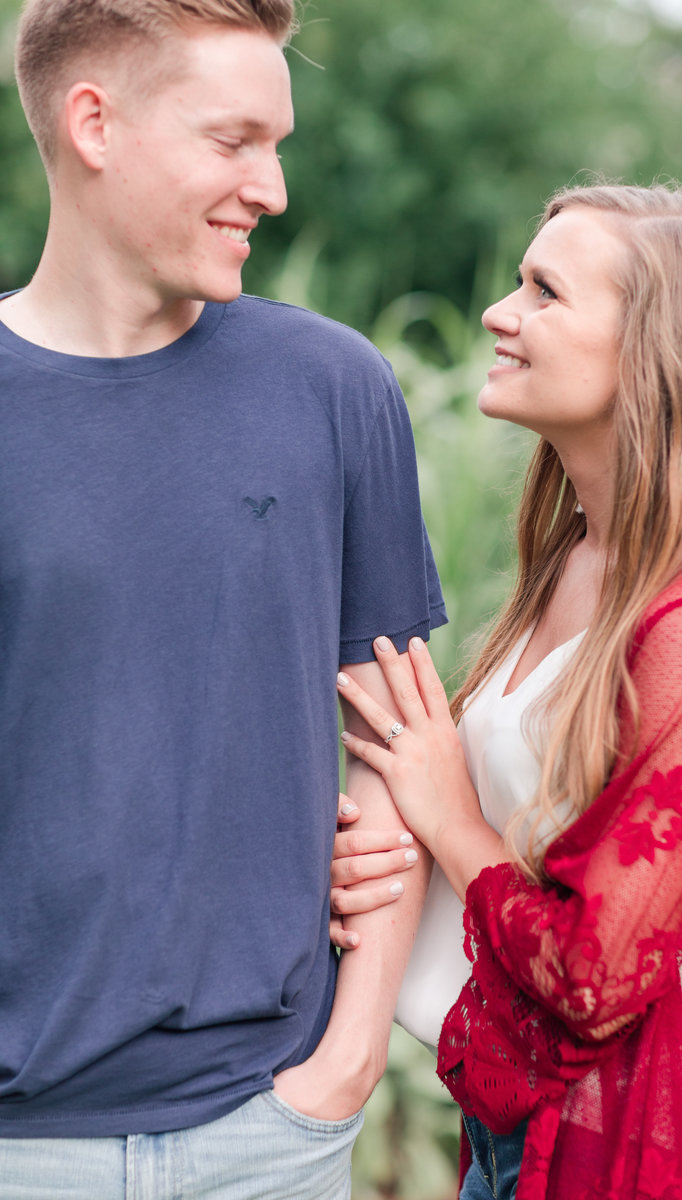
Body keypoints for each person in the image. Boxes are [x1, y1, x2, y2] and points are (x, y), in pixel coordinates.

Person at [0, 1, 444, 1196]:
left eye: (277, 144)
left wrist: (344, 1065)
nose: (273, 189)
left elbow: (397, 740)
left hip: (270, 1135)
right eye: (234, 140)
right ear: (94, 124)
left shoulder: (333, 388)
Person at [332, 183, 682, 1199]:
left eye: (544, 292)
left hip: (631, 1155)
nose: (499, 314)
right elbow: (526, 825)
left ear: (657, 351)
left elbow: (597, 974)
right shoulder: (579, 558)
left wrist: (447, 817)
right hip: (520, 1124)